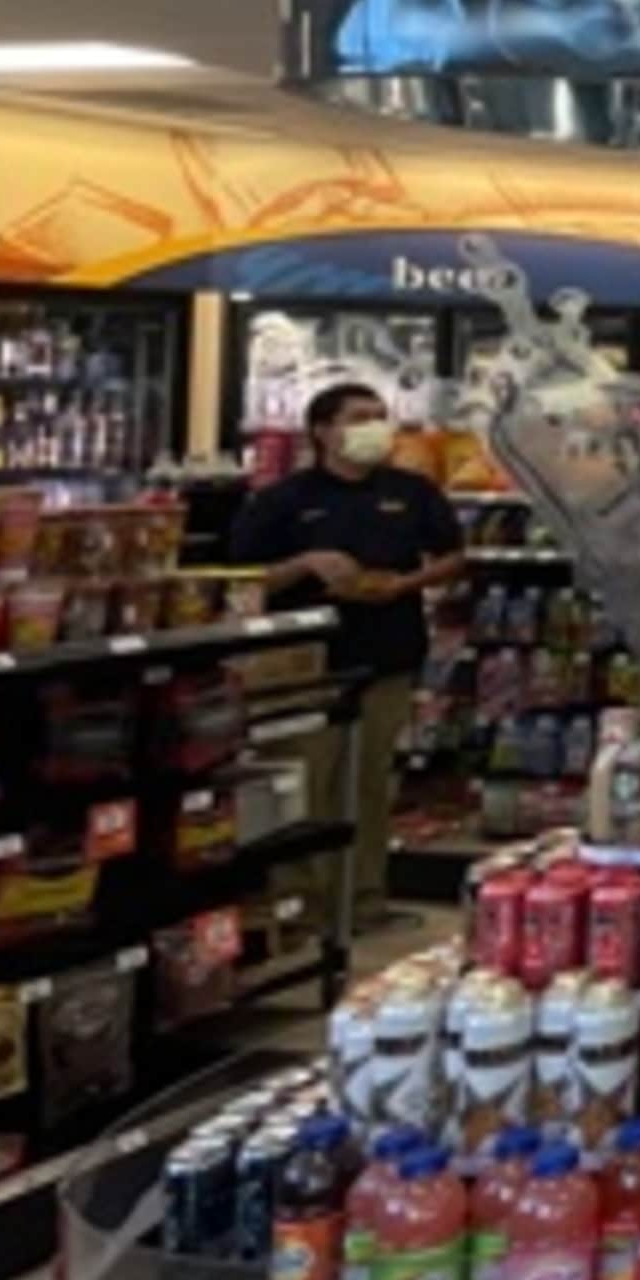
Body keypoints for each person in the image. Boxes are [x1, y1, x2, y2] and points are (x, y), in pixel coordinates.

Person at [231, 381, 465, 914]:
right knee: (304, 784)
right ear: (322, 430)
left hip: (389, 655)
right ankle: (300, 906)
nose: (375, 427)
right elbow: (243, 579)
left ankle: (363, 898)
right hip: (307, 668)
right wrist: (305, 564)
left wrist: (403, 585)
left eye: (380, 416)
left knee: (372, 784)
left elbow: (452, 556)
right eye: (360, 417)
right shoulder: (283, 500)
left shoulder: (412, 492)